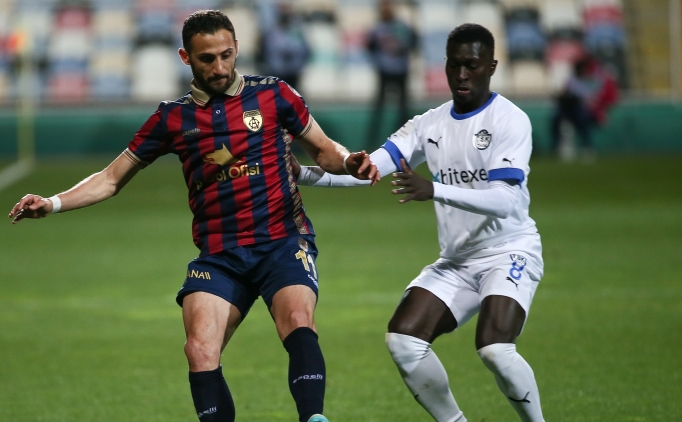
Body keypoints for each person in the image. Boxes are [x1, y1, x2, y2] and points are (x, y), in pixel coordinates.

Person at [8, 10, 378, 422]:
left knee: (297, 319)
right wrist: (53, 203)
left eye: (226, 55)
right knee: (200, 349)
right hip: (220, 254)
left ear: (237, 48)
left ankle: (313, 419)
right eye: (207, 59)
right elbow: (111, 179)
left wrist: (349, 161)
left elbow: (325, 150)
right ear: (186, 57)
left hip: (282, 240)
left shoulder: (274, 94)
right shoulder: (172, 118)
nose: (219, 68)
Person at [295, 23, 545, 421]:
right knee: (403, 340)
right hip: (457, 262)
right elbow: (369, 170)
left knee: (495, 349)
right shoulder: (428, 124)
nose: (461, 75)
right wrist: (303, 174)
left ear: (492, 67)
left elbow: (505, 200)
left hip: (509, 251)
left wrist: (434, 189)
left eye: (472, 65)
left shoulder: (509, 120)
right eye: (454, 65)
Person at [365, 0, 418, 148]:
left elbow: (413, 44)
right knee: (379, 110)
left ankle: (406, 141)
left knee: (403, 110)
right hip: (384, 71)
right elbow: (370, 48)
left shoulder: (402, 27)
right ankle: (373, 143)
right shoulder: (377, 29)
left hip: (401, 71)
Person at [551, 55, 618, 160]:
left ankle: (587, 146)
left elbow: (595, 100)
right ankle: (558, 146)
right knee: (556, 117)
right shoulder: (572, 81)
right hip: (569, 109)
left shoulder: (593, 81)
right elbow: (564, 95)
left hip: (585, 111)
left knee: (583, 118)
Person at [256, 1, 311, 92]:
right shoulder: (270, 31)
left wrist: (300, 66)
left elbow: (306, 50)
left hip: (293, 74)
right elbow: (262, 51)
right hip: (275, 73)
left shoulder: (297, 30)